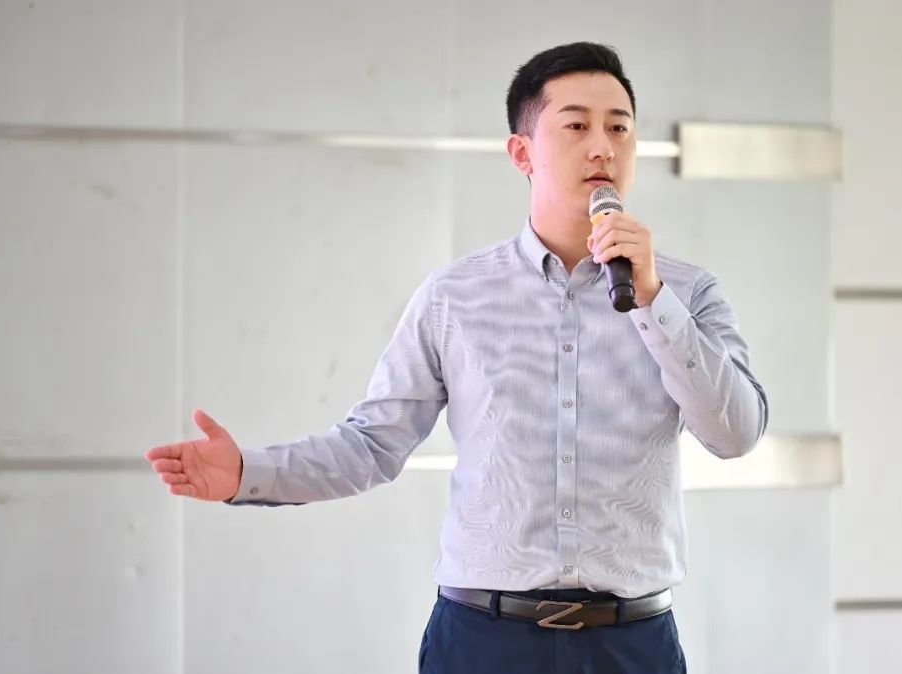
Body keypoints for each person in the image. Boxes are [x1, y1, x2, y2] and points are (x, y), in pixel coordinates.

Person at [145, 41, 768, 674]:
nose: (602, 147)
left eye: (619, 128)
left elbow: (736, 433)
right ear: (522, 153)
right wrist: (247, 472)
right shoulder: (455, 296)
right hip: (483, 641)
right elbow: (372, 445)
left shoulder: (686, 293)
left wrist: (653, 300)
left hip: (632, 643)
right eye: (577, 126)